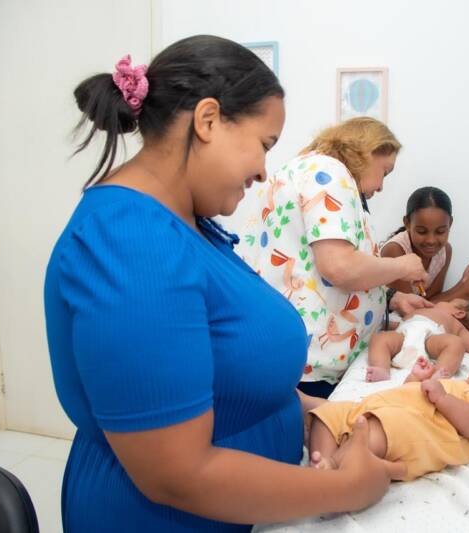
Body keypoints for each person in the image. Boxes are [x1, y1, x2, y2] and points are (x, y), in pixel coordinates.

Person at [44, 36, 405, 532]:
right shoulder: (131, 243)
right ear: (207, 120)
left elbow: (220, 365)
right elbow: (176, 473)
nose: (263, 170)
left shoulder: (186, 223)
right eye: (264, 145)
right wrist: (349, 488)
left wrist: (308, 410)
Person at [238, 117, 431, 399]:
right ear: (369, 151)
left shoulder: (312, 171)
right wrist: (404, 266)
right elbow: (340, 267)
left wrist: (390, 298)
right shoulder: (327, 172)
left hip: (296, 352)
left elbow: (315, 267)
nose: (380, 187)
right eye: (385, 172)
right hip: (309, 363)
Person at [308, 363, 469, 481]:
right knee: (329, 416)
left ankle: (335, 472)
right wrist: (414, 380)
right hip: (377, 411)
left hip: (415, 430)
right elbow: (409, 398)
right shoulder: (462, 388)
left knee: (385, 428)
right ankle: (322, 465)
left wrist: (442, 398)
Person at [381, 186, 469, 302]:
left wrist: (465, 282)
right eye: (421, 231)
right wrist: (463, 291)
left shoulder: (444, 251)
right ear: (407, 223)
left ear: (450, 224)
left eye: (440, 231)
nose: (431, 240)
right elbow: (409, 309)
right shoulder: (394, 250)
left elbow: (431, 299)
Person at [366, 299, 469, 383]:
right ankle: (382, 369)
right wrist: (383, 323)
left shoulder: (455, 325)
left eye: (449, 302)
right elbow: (401, 325)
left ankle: (438, 375)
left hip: (430, 340)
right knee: (380, 337)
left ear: (458, 313)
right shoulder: (421, 312)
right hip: (403, 336)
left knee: (456, 343)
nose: (439, 303)